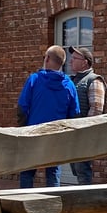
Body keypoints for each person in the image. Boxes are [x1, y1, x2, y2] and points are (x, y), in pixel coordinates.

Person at [16, 45, 80, 188]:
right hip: (55, 136)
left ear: (48, 58)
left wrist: (23, 128)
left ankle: (26, 206)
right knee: (53, 173)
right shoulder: (69, 85)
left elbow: (22, 108)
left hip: (33, 134)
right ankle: (53, 205)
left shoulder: (34, 80)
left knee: (27, 173)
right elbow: (75, 113)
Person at [67, 46, 106, 213]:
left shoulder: (94, 80)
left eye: (75, 58)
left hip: (84, 134)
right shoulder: (73, 80)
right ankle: (82, 208)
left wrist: (84, 132)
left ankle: (85, 211)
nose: (70, 61)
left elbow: (96, 110)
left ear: (85, 62)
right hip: (73, 133)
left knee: (83, 171)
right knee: (77, 170)